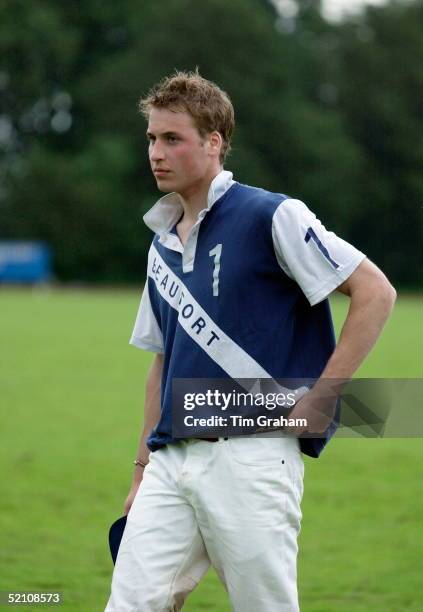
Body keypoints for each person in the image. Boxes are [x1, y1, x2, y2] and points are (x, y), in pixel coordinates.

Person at [104, 70, 396, 612]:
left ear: (213, 143)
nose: (156, 153)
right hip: (171, 461)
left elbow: (375, 292)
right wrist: (142, 468)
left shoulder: (271, 214)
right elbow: (161, 365)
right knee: (130, 604)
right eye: (151, 138)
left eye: (173, 139)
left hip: (253, 458)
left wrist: (323, 397)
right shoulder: (160, 245)